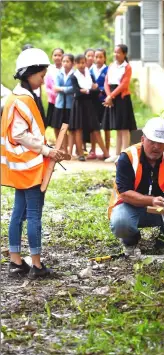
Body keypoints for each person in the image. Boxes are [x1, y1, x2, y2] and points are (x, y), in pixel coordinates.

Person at [1, 48, 64, 279]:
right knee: (33, 214)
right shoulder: (23, 99)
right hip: (29, 166)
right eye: (40, 75)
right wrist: (46, 149)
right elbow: (20, 134)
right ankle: (36, 265)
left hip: (21, 164)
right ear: (29, 73)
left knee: (19, 212)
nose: (43, 79)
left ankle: (17, 262)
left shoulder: (17, 97)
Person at [108, 117, 164, 257]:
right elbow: (125, 194)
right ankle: (131, 242)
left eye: (161, 143)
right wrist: (151, 200)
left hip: (161, 204)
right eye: (152, 142)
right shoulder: (127, 157)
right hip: (130, 204)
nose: (157, 147)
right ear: (142, 139)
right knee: (121, 222)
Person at [69, 54, 109, 161]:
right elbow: (77, 93)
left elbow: (97, 92)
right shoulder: (74, 76)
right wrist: (90, 89)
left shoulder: (89, 75)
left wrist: (86, 90)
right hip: (79, 105)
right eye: (79, 63)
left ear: (86, 63)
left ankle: (106, 153)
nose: (81, 65)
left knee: (95, 128)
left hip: (90, 105)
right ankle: (81, 154)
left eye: (83, 62)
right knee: (79, 129)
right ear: (75, 64)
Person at [102, 44, 137, 163]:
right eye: (115, 52)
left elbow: (124, 85)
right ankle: (116, 153)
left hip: (122, 98)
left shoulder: (127, 67)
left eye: (118, 52)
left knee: (124, 127)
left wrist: (111, 96)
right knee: (117, 127)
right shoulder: (111, 66)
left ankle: (124, 153)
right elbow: (106, 81)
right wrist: (108, 96)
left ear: (124, 54)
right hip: (111, 98)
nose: (116, 55)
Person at [51, 53, 74, 154]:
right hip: (59, 104)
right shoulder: (59, 73)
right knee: (59, 127)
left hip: (70, 104)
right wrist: (66, 89)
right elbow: (55, 88)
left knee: (69, 128)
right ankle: (62, 148)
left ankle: (69, 150)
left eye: (67, 61)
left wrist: (62, 89)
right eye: (63, 61)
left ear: (72, 63)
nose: (65, 63)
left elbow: (74, 89)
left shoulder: (74, 75)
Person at [89, 48, 110, 159]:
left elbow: (109, 84)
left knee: (106, 126)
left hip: (104, 101)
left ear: (105, 58)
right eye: (96, 57)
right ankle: (93, 150)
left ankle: (106, 149)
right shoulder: (90, 70)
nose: (98, 59)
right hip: (93, 102)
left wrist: (99, 88)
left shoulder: (108, 70)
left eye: (100, 57)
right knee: (94, 127)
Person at [22, 44, 47, 127]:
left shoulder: (38, 64)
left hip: (37, 95)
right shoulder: (22, 66)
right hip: (27, 94)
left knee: (41, 119)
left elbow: (40, 81)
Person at [44, 48, 64, 128]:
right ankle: (58, 140)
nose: (57, 57)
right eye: (55, 55)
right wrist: (54, 94)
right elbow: (47, 86)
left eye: (59, 55)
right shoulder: (49, 69)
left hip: (64, 101)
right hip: (53, 101)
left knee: (64, 124)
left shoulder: (66, 69)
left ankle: (63, 140)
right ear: (52, 57)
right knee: (55, 124)